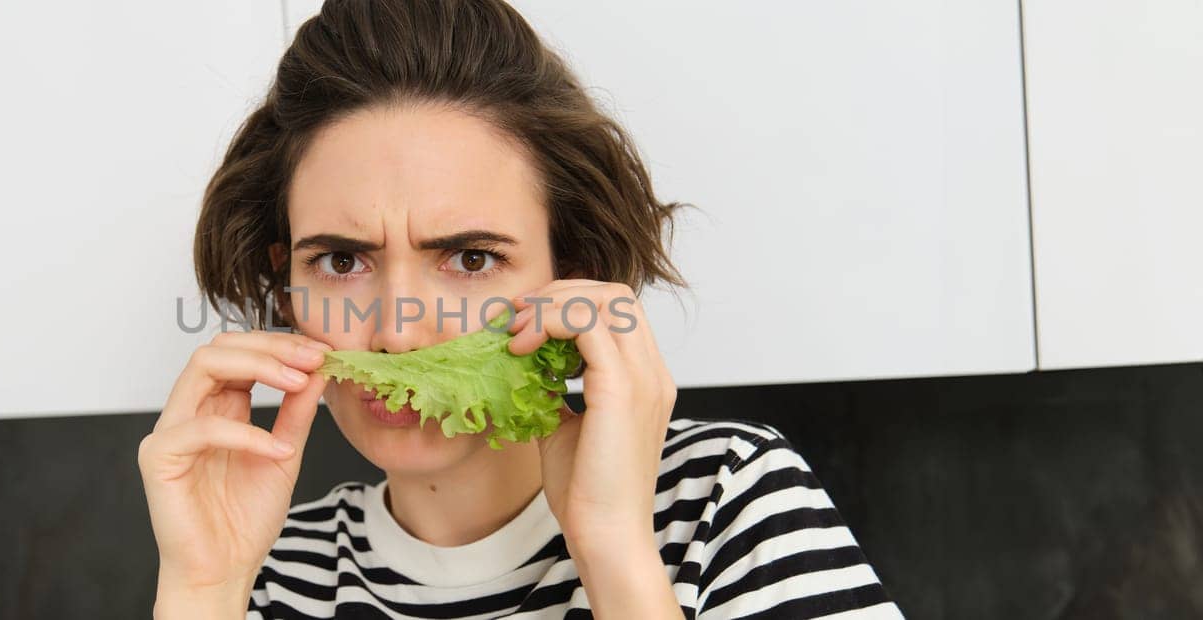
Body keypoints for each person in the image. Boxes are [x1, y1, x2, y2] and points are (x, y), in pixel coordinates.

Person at [138, 0, 903, 617]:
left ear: (573, 282)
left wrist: (612, 550)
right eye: (342, 261)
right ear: (286, 293)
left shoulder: (726, 501)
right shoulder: (261, 569)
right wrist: (203, 591)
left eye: (471, 259)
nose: (399, 330)